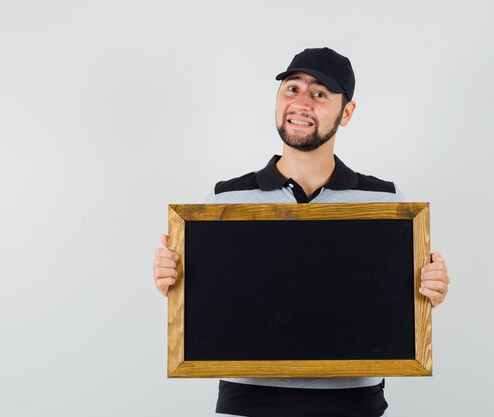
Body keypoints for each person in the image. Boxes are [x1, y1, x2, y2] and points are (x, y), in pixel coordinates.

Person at [153, 47, 450, 417]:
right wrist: (176, 280)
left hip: (353, 402)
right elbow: (208, 296)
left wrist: (428, 290)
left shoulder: (385, 200)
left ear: (347, 113)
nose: (301, 102)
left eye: (320, 93)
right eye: (292, 88)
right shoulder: (225, 199)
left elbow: (401, 296)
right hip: (249, 401)